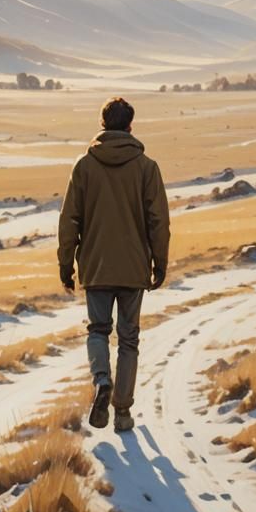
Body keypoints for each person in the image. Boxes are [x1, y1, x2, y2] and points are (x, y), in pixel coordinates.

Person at [57, 96, 170, 432]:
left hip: (95, 265)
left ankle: (101, 380)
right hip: (134, 267)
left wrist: (66, 265)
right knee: (129, 340)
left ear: (102, 124)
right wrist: (159, 264)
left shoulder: (84, 166)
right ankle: (122, 412)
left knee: (97, 331)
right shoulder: (147, 167)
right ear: (130, 125)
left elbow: (69, 221)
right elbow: (158, 222)